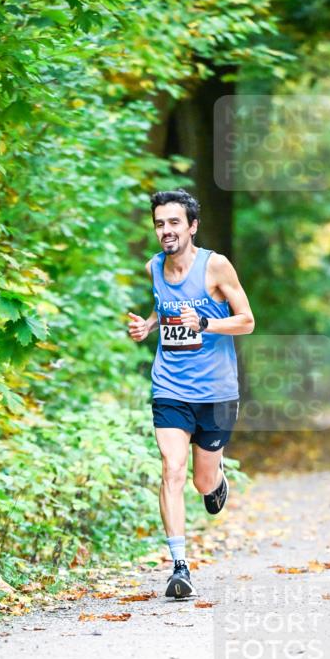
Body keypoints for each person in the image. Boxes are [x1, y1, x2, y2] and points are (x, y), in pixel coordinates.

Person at [128, 189, 254, 599]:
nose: (166, 230)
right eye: (160, 223)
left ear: (192, 226)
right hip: (171, 386)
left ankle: (216, 480)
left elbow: (247, 321)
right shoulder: (154, 268)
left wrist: (204, 322)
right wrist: (149, 325)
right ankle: (179, 566)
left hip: (216, 391)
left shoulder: (215, 266)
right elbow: (164, 307)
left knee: (201, 481)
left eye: (174, 222)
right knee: (172, 468)